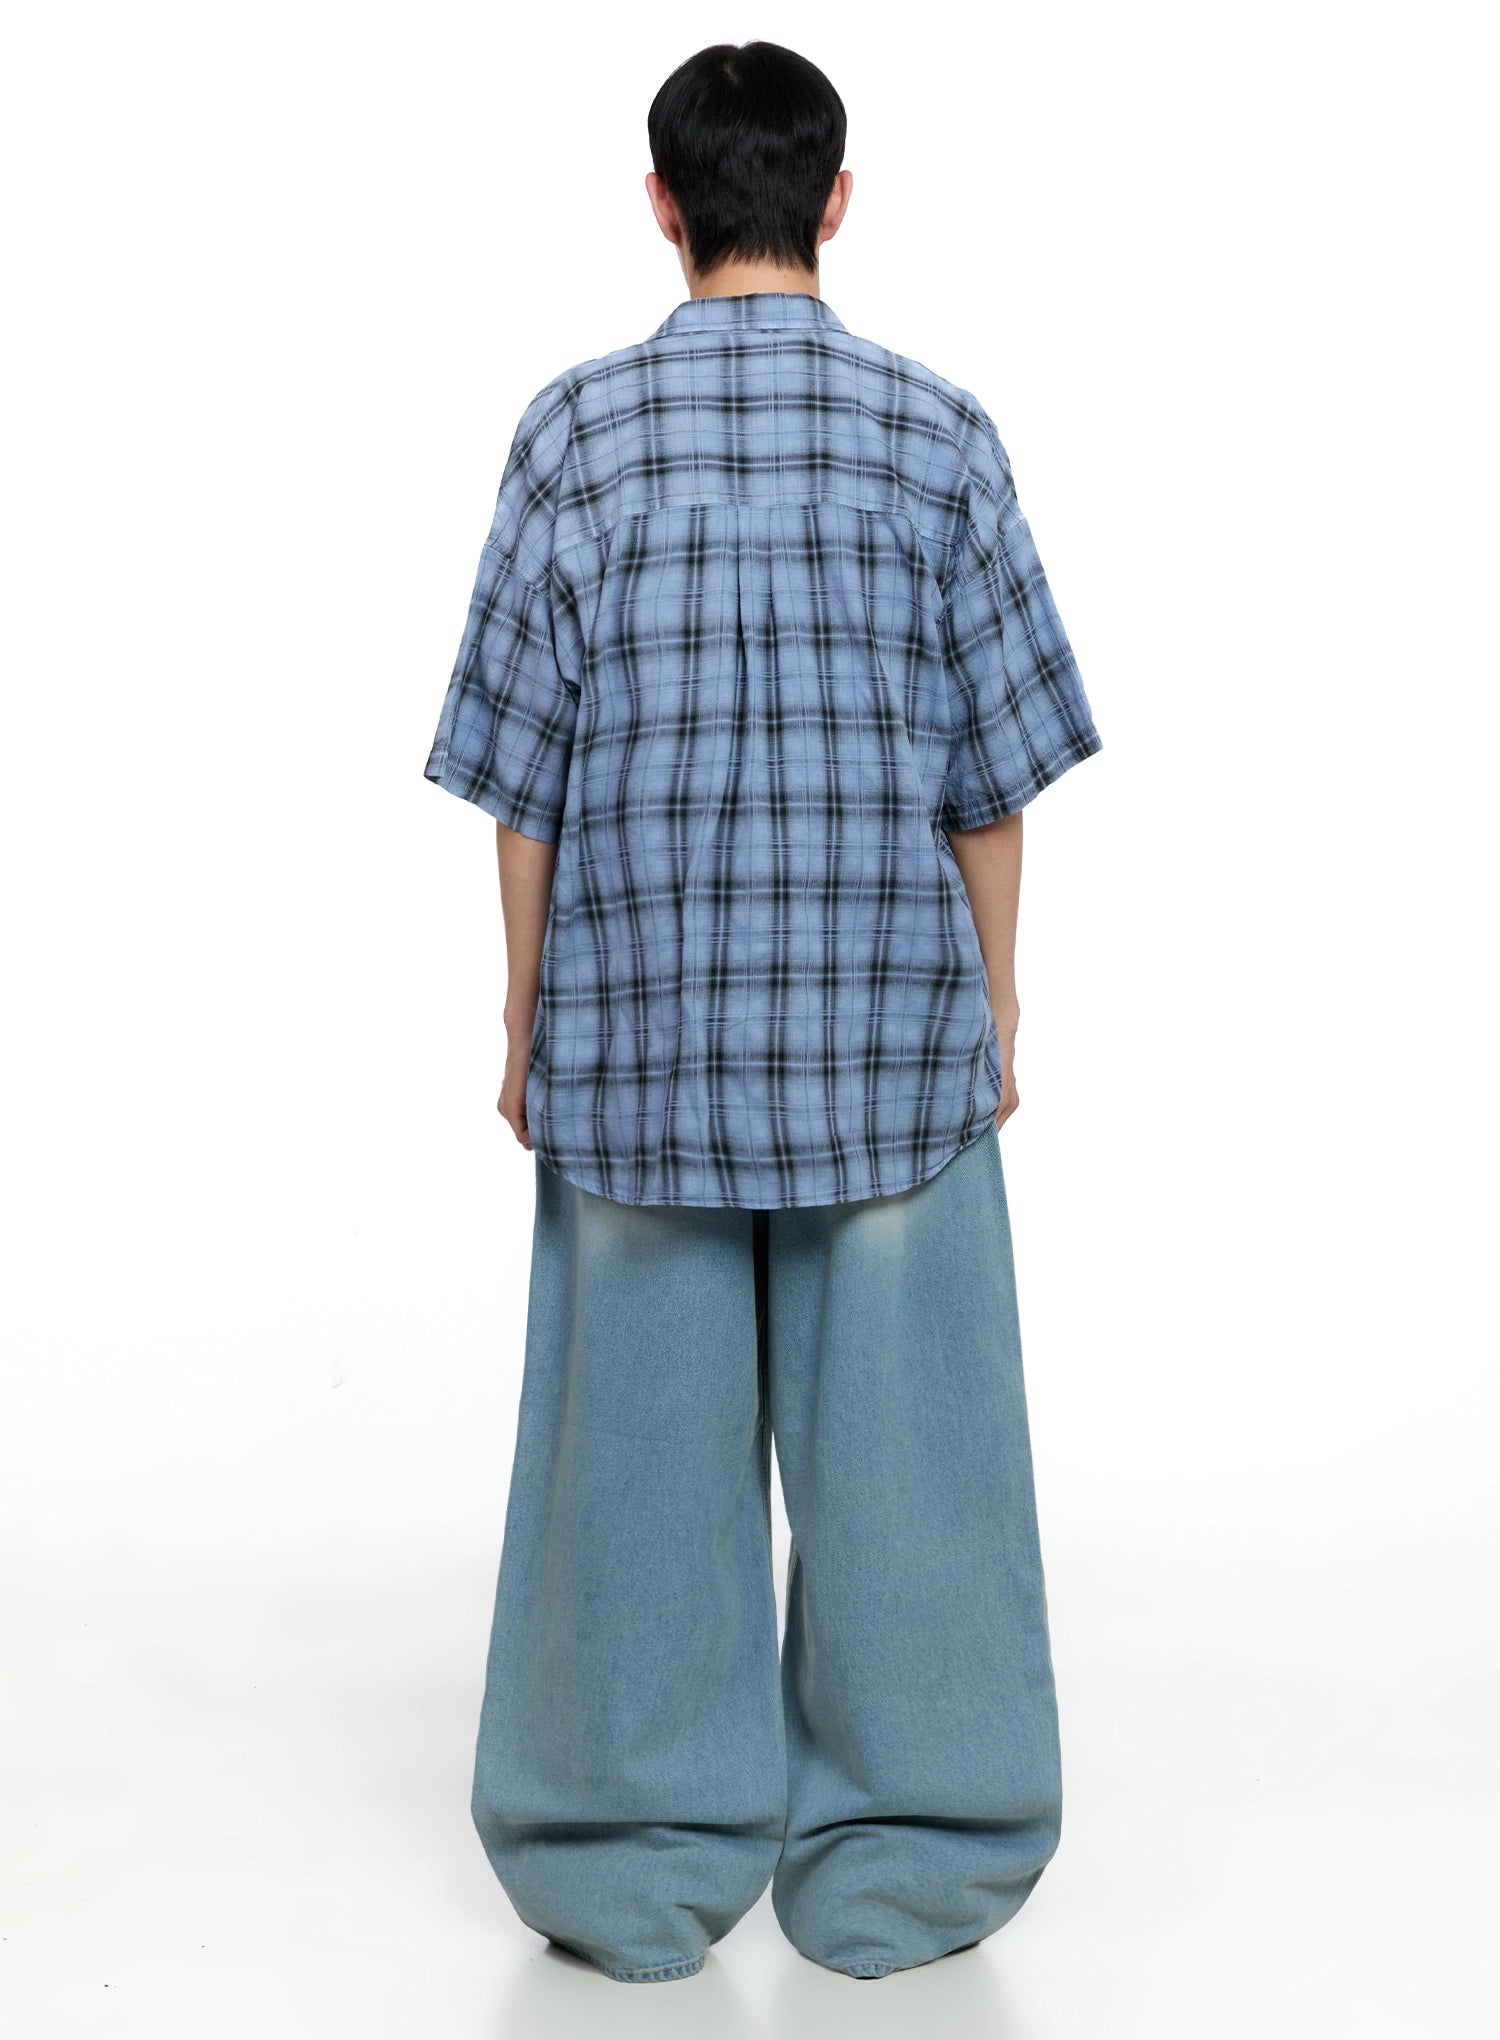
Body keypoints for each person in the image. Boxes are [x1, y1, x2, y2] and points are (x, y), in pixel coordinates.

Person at [423, 39, 1103, 1985]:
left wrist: (523, 1015)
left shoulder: (574, 437)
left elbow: (524, 782)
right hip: (887, 1045)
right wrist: (996, 999)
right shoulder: (939, 437)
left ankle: (621, 1865)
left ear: (662, 205)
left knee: (629, 1486)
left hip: (638, 1048)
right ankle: (919, 1858)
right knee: (916, 1478)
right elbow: (994, 781)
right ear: (837, 199)